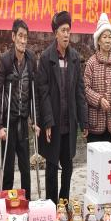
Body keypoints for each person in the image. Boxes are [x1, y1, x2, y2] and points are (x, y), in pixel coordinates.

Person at [37, 11, 88, 205]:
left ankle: (63, 203)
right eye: (63, 30)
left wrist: (83, 122)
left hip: (69, 122)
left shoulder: (74, 57)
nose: (67, 34)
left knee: (68, 166)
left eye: (68, 30)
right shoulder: (46, 58)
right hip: (54, 123)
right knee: (51, 167)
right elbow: (43, 93)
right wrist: (48, 122)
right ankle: (51, 205)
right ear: (55, 33)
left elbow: (79, 91)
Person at [0, 18, 38, 197]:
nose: (23, 40)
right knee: (8, 167)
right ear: (13, 37)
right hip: (8, 123)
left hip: (23, 121)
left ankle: (27, 201)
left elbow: (34, 92)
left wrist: (35, 120)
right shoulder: (5, 60)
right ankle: (6, 202)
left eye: (25, 37)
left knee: (26, 168)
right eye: (20, 36)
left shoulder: (31, 59)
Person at [84, 13, 111, 143]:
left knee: (108, 154)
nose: (107, 40)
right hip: (95, 123)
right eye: (104, 37)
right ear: (98, 41)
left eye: (110, 37)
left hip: (110, 121)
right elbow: (85, 89)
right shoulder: (91, 62)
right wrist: (99, 100)